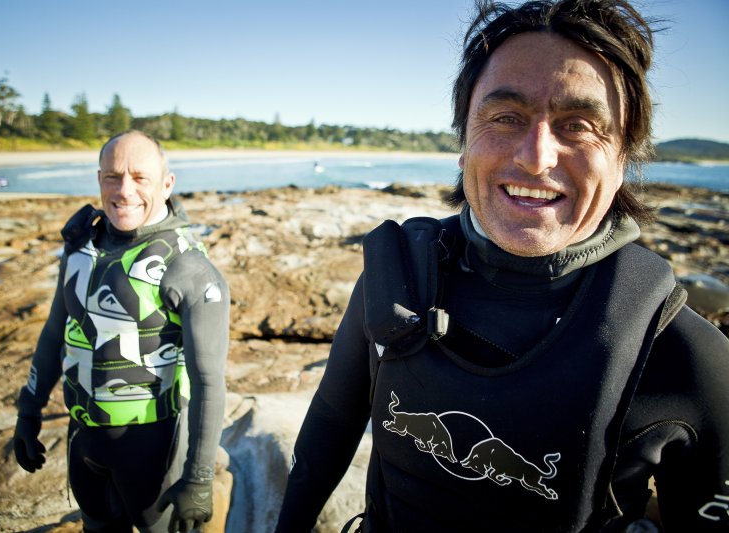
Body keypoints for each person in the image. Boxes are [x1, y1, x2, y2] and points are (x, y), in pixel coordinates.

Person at [274, 1, 729, 531]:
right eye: (506, 117)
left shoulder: (685, 355)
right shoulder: (397, 282)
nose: (536, 157)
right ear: (463, 142)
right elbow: (332, 421)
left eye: (579, 125)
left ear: (623, 159)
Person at [12, 130, 230, 533]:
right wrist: (29, 411)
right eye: (112, 176)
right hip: (83, 443)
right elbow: (55, 332)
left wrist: (199, 477)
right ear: (99, 179)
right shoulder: (82, 248)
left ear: (167, 184)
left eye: (140, 177)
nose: (124, 190)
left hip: (155, 450)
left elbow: (209, 381)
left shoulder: (188, 266)